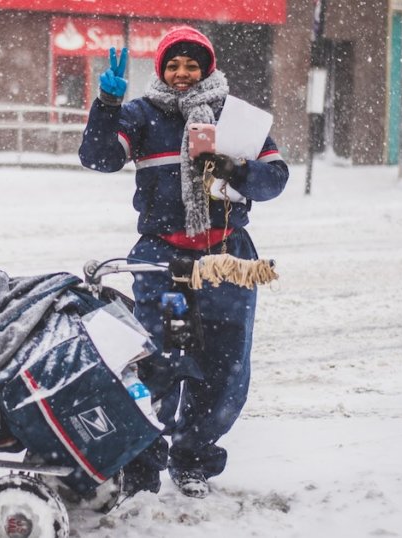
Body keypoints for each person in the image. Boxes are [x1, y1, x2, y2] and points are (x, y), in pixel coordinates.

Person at [78, 26, 289, 498]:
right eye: (173, 64)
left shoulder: (238, 119)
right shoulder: (141, 115)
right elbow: (98, 158)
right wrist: (107, 106)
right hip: (162, 258)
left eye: (191, 65)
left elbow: (275, 178)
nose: (181, 73)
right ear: (160, 69)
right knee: (158, 363)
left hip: (227, 258)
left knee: (225, 368)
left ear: (207, 68)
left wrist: (232, 167)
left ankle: (192, 459)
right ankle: (143, 465)